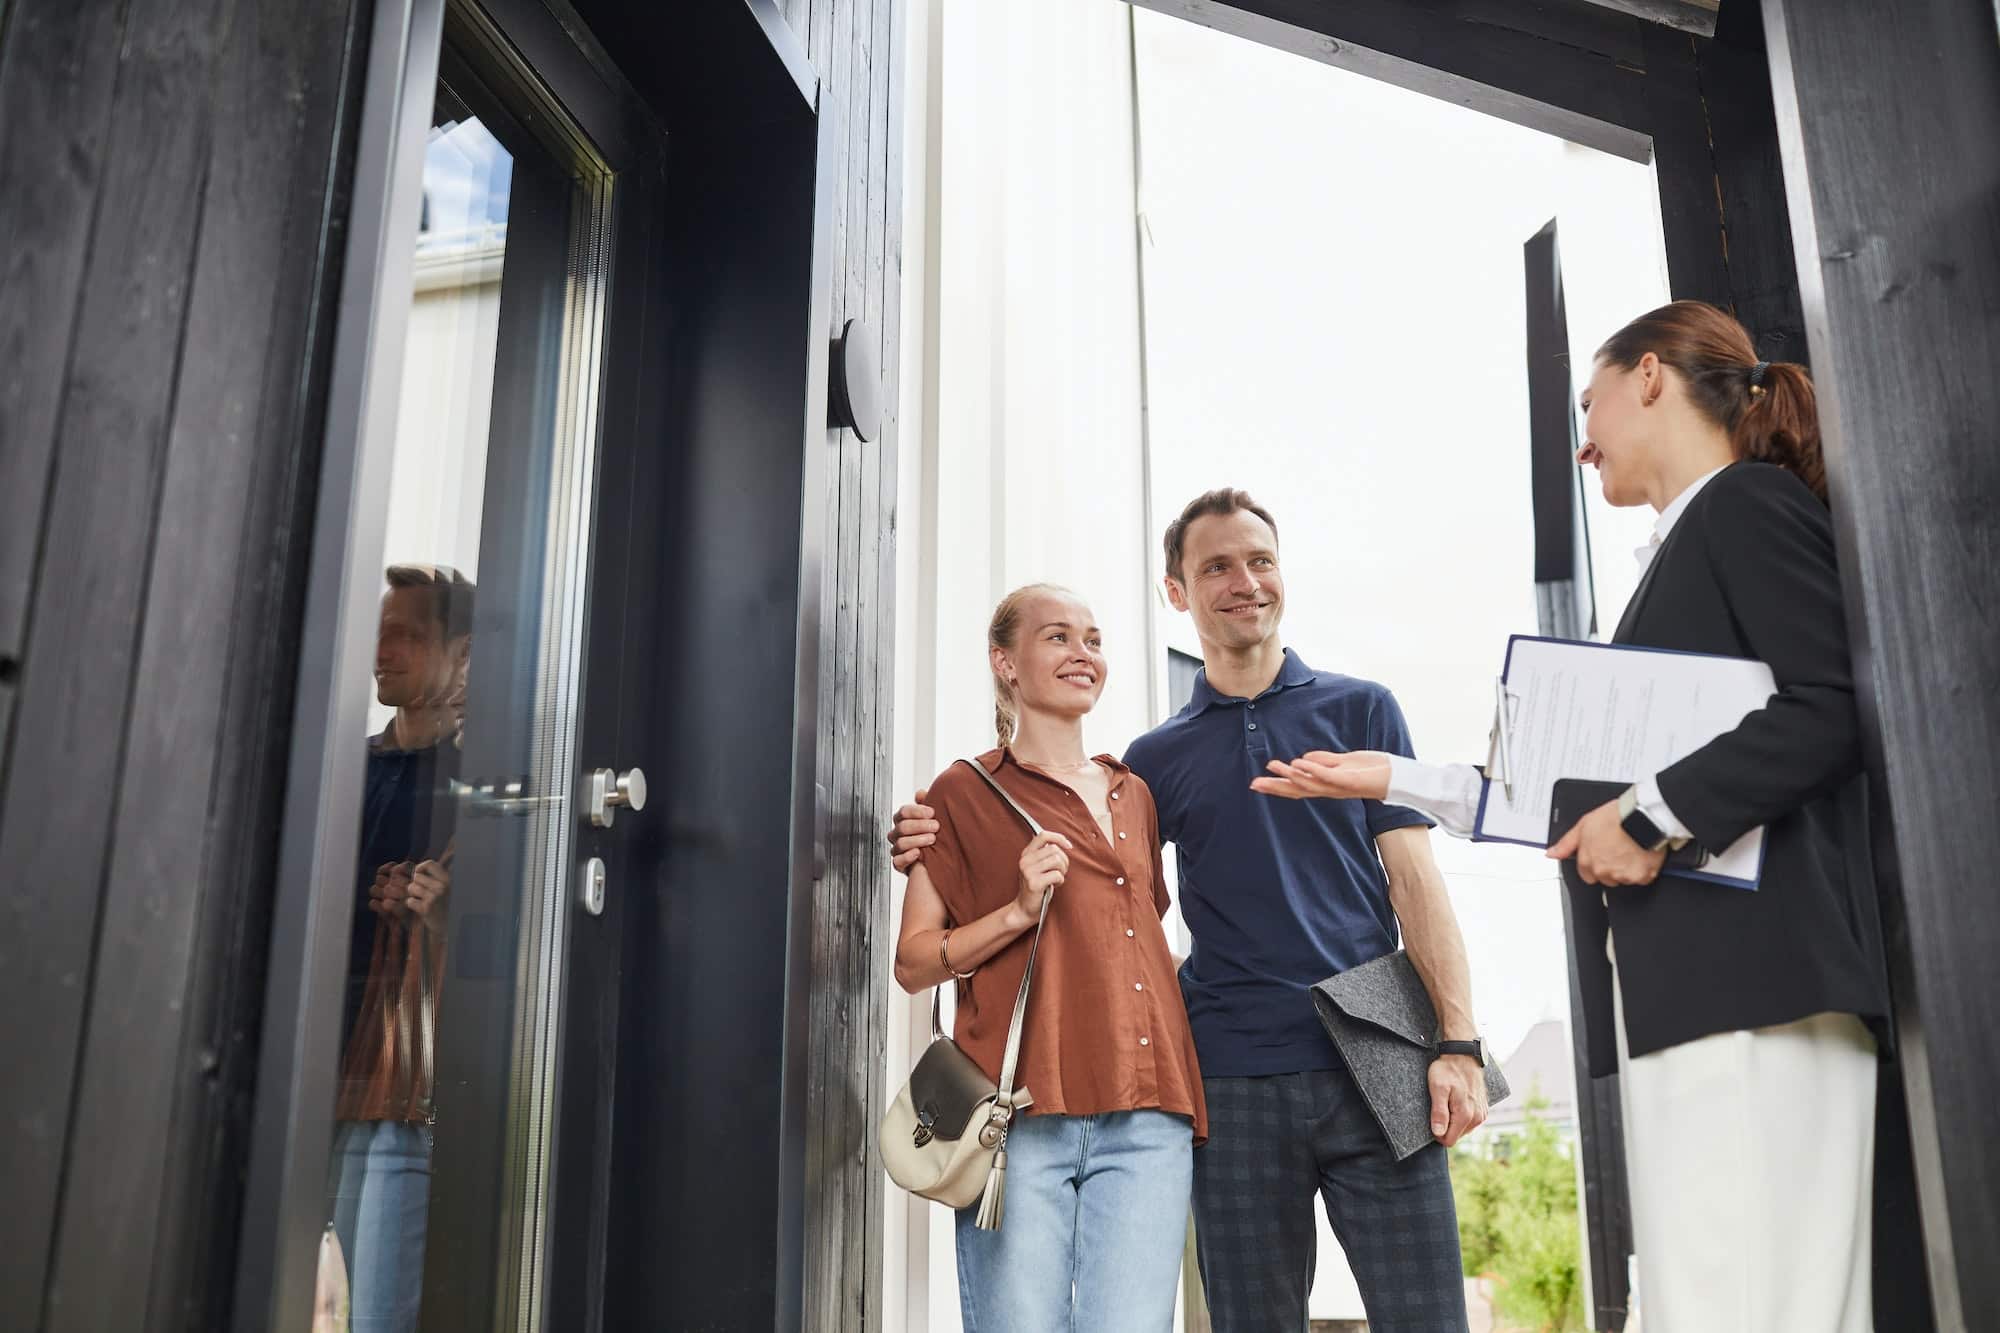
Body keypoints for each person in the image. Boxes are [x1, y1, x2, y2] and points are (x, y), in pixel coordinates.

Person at [1256, 301, 1890, 1333]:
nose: (1582, 435)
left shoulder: (1740, 506)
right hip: (1697, 997)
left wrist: (1648, 819)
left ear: (1649, 377)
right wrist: (1394, 779)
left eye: (1586, 400)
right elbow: (1567, 792)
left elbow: (1827, 707)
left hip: (1752, 988)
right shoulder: (1687, 543)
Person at [892, 497, 1485, 1333]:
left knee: (1430, 1319)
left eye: (1261, 560)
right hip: (1229, 1075)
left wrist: (1457, 1040)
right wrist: (928, 832)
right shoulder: (1153, 762)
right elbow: (1102, 902)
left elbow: (1417, 883)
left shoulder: (1363, 709)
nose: (1245, 582)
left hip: (1379, 1056)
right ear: (1177, 591)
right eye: (1217, 567)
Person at [893, 584, 1207, 1332]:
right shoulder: (962, 792)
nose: (1083, 653)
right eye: (1058, 637)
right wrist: (1016, 910)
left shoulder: (1136, 794)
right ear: (1005, 662)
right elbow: (912, 962)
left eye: (1093, 640)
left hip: (1149, 1109)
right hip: (1020, 1115)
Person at [324, 563, 473, 1333]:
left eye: (406, 636)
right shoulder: (345, 767)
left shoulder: (482, 783)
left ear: (462, 653)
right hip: (318, 1071)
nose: (383, 652)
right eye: (379, 634)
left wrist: (448, 915)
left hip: (402, 1085)